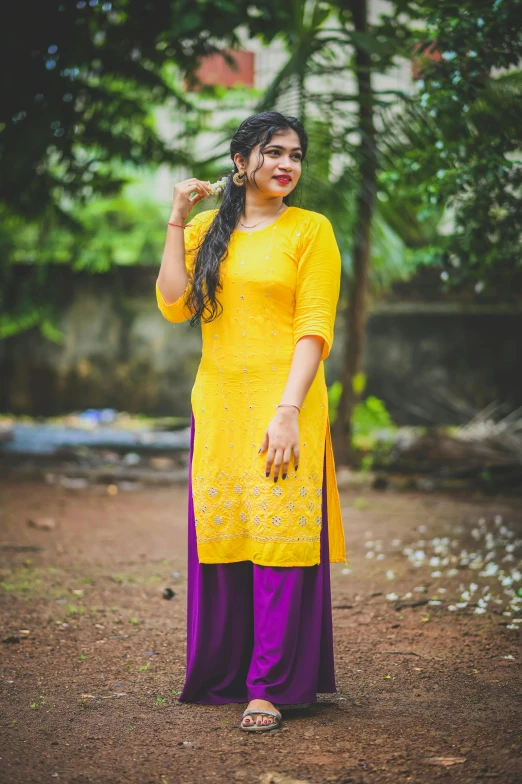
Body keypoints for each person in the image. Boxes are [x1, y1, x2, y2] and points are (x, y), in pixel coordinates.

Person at [156, 111, 347, 733]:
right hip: (218, 407)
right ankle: (224, 674)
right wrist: (178, 218)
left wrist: (288, 412)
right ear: (241, 163)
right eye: (273, 153)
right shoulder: (208, 229)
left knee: (280, 540)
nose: (287, 164)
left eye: (295, 154)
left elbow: (314, 327)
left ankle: (270, 685)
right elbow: (173, 304)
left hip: (287, 403)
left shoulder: (311, 230)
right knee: (229, 534)